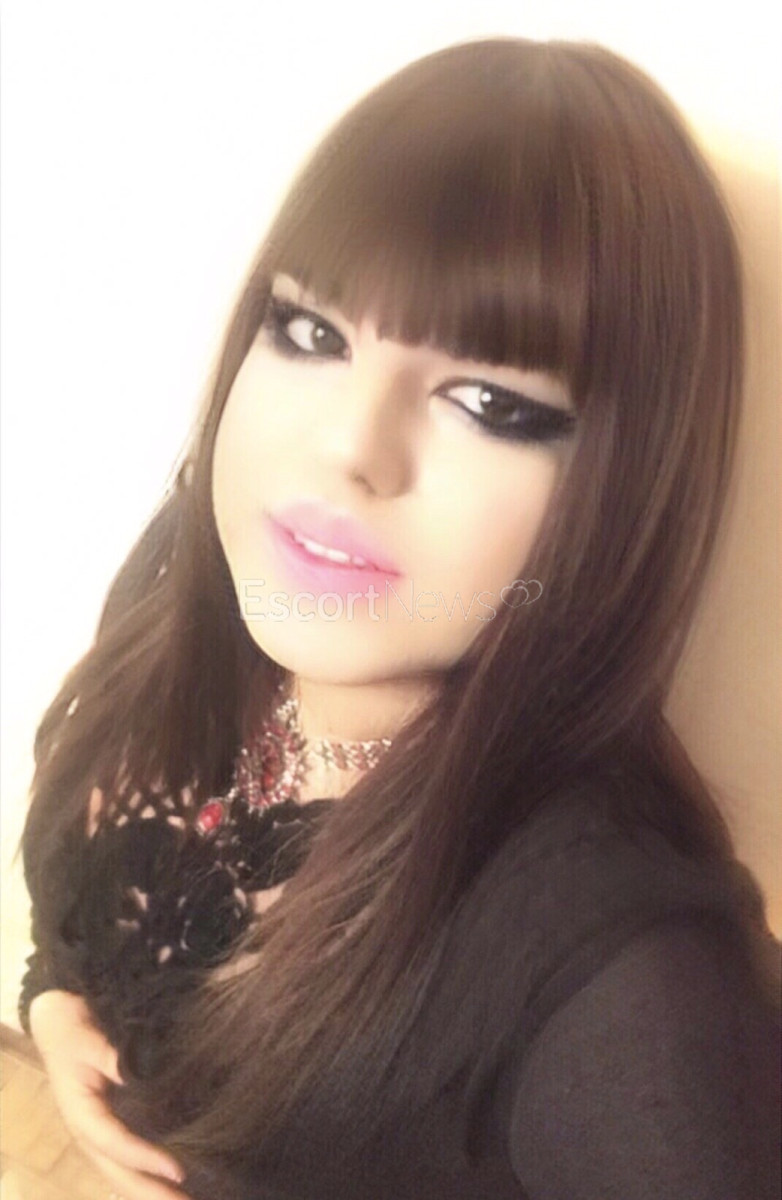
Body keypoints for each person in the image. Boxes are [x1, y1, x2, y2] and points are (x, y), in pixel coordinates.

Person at [20, 37, 780, 1200]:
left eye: (489, 403)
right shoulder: (203, 565)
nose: (346, 450)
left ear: (619, 485)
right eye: (310, 333)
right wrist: (55, 1001)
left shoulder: (621, 979)